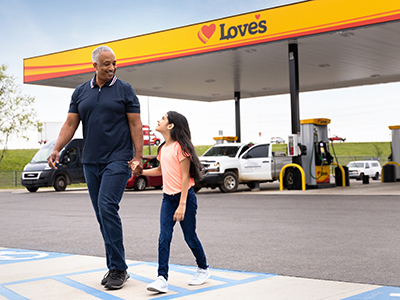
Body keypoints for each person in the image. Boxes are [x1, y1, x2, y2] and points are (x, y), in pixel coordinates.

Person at [47, 45, 143, 290]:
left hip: (118, 158)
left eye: (114, 63)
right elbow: (70, 123)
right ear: (95, 66)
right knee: (102, 215)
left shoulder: (125, 90)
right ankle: (114, 266)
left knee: (106, 206)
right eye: (106, 64)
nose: (111, 67)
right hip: (91, 160)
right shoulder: (81, 92)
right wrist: (57, 148)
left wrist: (138, 156)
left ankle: (119, 268)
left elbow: (135, 124)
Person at [129, 111, 210, 294]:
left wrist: (182, 204)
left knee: (189, 236)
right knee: (164, 237)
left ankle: (203, 268)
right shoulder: (163, 148)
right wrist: (140, 172)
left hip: (184, 197)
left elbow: (184, 177)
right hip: (167, 198)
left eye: (163, 118)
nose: (159, 120)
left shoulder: (182, 147)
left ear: (171, 125)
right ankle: (162, 278)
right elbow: (160, 170)